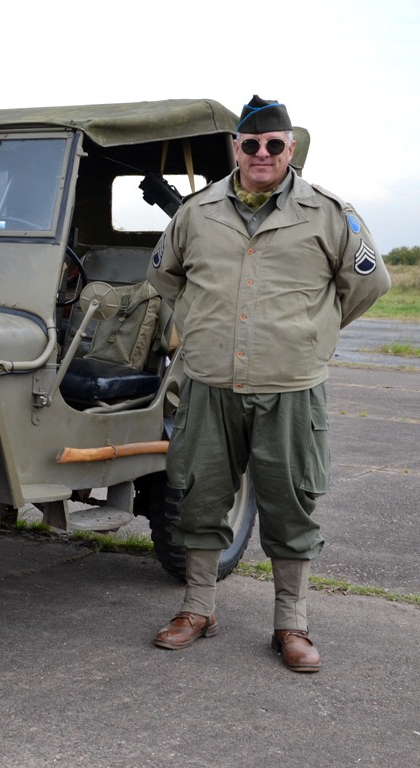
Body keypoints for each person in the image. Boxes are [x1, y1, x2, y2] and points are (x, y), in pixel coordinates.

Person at [146, 95, 391, 673]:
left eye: (273, 144)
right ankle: (197, 609)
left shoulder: (329, 212)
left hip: (290, 385)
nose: (262, 153)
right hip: (209, 382)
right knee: (200, 497)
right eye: (250, 144)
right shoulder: (197, 212)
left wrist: (310, 332)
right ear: (236, 148)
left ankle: (292, 624)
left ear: (291, 148)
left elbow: (367, 283)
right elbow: (165, 276)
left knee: (290, 504)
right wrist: (207, 326)